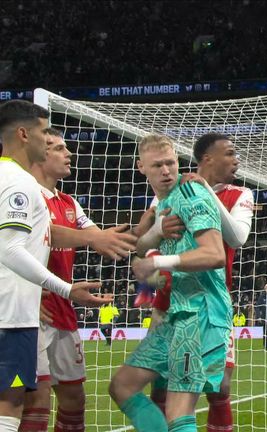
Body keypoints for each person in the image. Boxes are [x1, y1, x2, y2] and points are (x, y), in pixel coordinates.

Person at [0, 100, 112, 431]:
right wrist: (65, 288)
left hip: (15, 312)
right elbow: (10, 249)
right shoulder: (19, 183)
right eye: (43, 133)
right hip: (12, 314)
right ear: (23, 134)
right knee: (11, 402)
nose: (47, 141)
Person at [108, 134, 230, 432]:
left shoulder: (191, 195)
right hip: (173, 314)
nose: (166, 171)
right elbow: (139, 244)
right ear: (141, 168)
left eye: (171, 163)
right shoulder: (161, 205)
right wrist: (153, 241)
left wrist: (158, 262)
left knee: (178, 411)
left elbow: (215, 254)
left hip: (199, 313)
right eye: (157, 165)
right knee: (122, 386)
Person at [21, 127, 139, 432]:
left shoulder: (70, 204)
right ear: (39, 152)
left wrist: (153, 224)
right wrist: (93, 238)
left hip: (62, 307)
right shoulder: (22, 194)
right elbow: (52, 234)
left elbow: (103, 237)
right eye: (59, 148)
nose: (68, 153)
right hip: (30, 309)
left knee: (73, 398)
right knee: (36, 400)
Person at [147, 132, 253, 432]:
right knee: (161, 384)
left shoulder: (240, 194)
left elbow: (237, 238)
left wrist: (205, 189)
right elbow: (150, 240)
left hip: (212, 302)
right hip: (170, 302)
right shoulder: (170, 192)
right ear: (208, 158)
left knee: (219, 386)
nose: (237, 160)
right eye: (230, 153)